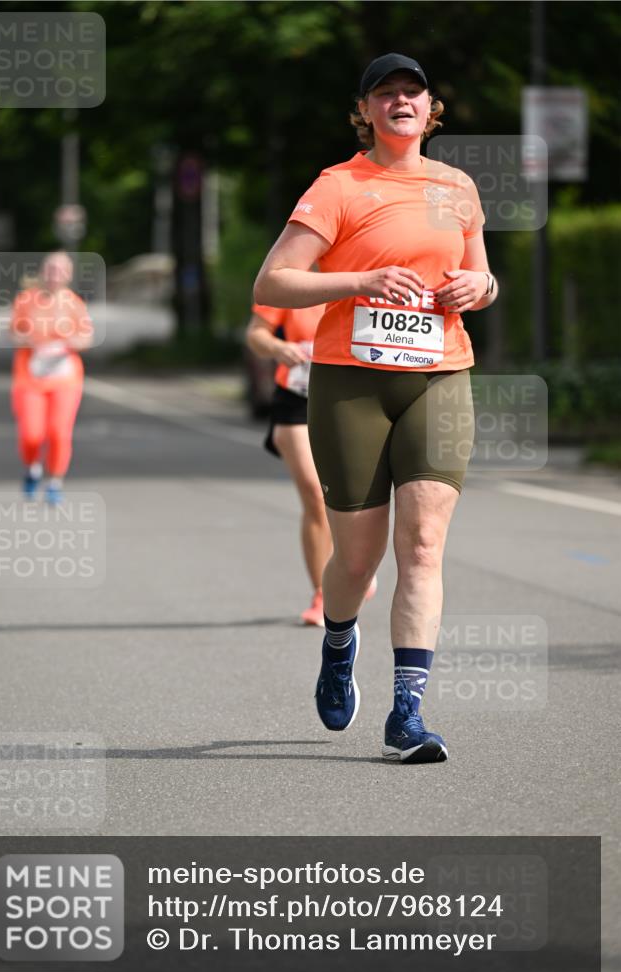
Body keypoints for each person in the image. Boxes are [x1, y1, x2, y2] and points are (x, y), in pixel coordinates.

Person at [254, 53, 497, 763]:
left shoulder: (456, 187)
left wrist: (477, 291)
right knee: (355, 560)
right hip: (349, 383)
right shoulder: (337, 187)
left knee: (421, 546)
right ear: (363, 112)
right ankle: (338, 642)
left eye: (411, 93)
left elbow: (482, 276)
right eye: (384, 94)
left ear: (430, 111)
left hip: (440, 375)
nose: (399, 102)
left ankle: (407, 714)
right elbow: (273, 280)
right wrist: (359, 279)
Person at [245, 301, 377, 626]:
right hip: (297, 396)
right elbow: (256, 334)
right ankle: (324, 593)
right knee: (316, 494)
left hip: (351, 397)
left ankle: (351, 567)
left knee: (353, 496)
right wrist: (280, 347)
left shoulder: (361, 275)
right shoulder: (292, 279)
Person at [10, 251, 93, 504]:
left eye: (60, 270)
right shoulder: (26, 300)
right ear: (42, 272)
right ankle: (33, 467)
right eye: (50, 269)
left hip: (65, 378)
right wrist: (31, 340)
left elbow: (86, 338)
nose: (54, 275)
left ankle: (55, 481)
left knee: (59, 432)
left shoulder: (75, 303)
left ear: (68, 275)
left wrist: (70, 342)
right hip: (30, 378)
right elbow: (13, 333)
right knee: (31, 434)